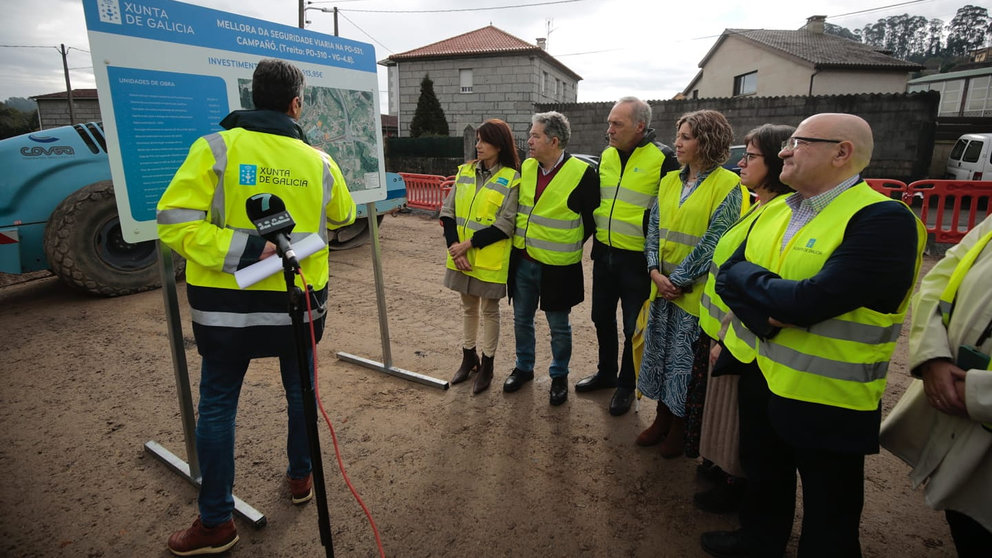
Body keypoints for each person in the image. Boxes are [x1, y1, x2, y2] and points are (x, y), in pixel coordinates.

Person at [701, 113, 925, 558]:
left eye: (799, 142)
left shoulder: (884, 221)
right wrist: (774, 312)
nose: (784, 149)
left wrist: (778, 299)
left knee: (830, 510)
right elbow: (728, 276)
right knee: (765, 478)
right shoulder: (778, 209)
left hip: (829, 396)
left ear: (842, 153)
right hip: (763, 374)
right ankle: (758, 543)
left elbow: (810, 301)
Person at [157, 59, 356, 556]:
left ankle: (217, 522)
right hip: (300, 304)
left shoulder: (216, 148)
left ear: (252, 96)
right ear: (296, 104)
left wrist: (241, 250)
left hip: (228, 309)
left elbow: (175, 221)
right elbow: (345, 214)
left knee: (220, 406)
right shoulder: (320, 160)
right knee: (301, 395)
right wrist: (263, 245)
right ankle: (300, 479)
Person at [694, 123, 796, 514]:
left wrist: (727, 337)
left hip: (740, 339)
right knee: (725, 415)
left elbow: (756, 289)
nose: (742, 162)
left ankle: (736, 486)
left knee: (739, 423)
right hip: (722, 331)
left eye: (751, 156)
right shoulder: (756, 205)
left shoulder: (778, 214)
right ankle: (725, 475)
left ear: (773, 161)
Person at [634, 110, 747, 458]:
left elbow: (717, 239)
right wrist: (654, 271)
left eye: (686, 137)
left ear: (707, 141)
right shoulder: (669, 180)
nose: (678, 143)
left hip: (691, 293)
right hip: (661, 288)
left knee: (684, 364)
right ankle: (661, 417)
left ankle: (681, 426)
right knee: (659, 356)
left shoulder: (728, 184)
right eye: (678, 135)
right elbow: (653, 228)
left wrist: (678, 280)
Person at [880, 214, 992, 558]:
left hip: (972, 406)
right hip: (961, 415)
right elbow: (936, 285)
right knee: (967, 527)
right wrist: (933, 357)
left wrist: (979, 394)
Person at [575, 97, 680, 416]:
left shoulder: (663, 158)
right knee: (600, 317)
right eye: (609, 122)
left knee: (633, 326)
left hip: (638, 261)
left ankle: (625, 383)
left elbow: (669, 212)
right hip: (605, 253)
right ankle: (606, 372)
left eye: (616, 124)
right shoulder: (606, 156)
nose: (609, 129)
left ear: (640, 126)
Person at [503, 111, 599, 405]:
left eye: (535, 135)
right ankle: (524, 368)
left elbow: (591, 220)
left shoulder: (582, 173)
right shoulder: (527, 168)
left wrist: (565, 242)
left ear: (554, 140)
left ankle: (559, 376)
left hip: (558, 266)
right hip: (523, 261)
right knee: (522, 319)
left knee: (559, 326)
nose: (529, 140)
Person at [440, 119, 521, 394]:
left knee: (489, 311)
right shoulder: (464, 171)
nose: (478, 145)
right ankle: (468, 357)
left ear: (499, 145)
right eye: (477, 140)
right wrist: (454, 247)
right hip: (460, 256)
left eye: (483, 140)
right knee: (467, 308)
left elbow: (505, 224)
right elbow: (447, 212)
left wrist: (467, 246)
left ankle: (487, 365)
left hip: (488, 260)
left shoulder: (511, 178)